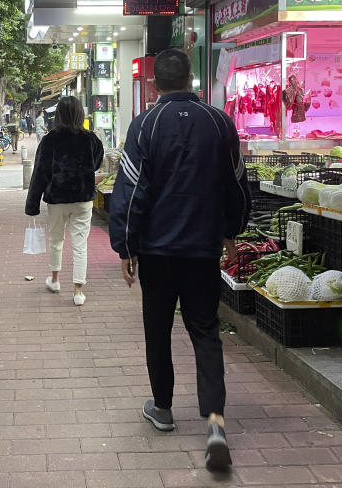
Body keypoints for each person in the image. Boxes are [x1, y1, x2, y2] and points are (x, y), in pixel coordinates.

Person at [108, 48, 250, 472]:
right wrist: (231, 231)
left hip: (157, 250)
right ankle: (215, 422)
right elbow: (238, 183)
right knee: (205, 330)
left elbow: (131, 191)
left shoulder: (145, 124)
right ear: (192, 78)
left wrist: (126, 246)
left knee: (158, 327)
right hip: (202, 248)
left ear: (154, 84)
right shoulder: (218, 122)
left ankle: (164, 409)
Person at [25, 96, 104, 306]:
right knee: (80, 244)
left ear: (58, 114)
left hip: (57, 198)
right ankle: (78, 291)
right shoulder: (91, 139)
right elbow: (96, 163)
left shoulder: (50, 139)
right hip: (83, 198)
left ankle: (55, 280)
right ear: (81, 114)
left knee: (56, 240)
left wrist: (32, 204)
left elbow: (40, 173)